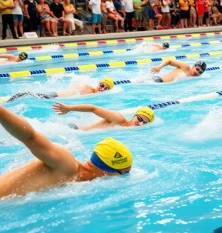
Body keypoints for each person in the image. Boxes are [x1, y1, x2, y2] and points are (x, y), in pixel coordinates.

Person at [0, 106, 132, 198]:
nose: (125, 177)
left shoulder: (77, 181)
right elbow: (30, 137)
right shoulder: (67, 165)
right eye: (125, 173)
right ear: (106, 170)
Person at [53, 103, 155, 131]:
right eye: (140, 119)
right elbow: (93, 108)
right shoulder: (119, 119)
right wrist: (70, 108)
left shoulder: (128, 130)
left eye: (145, 123)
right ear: (134, 116)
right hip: (74, 130)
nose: (140, 123)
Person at [6, 78, 115, 102]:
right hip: (54, 95)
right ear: (98, 83)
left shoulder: (92, 91)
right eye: (102, 85)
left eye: (106, 88)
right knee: (27, 94)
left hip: (54, 96)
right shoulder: (89, 89)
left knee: (30, 95)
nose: (102, 88)